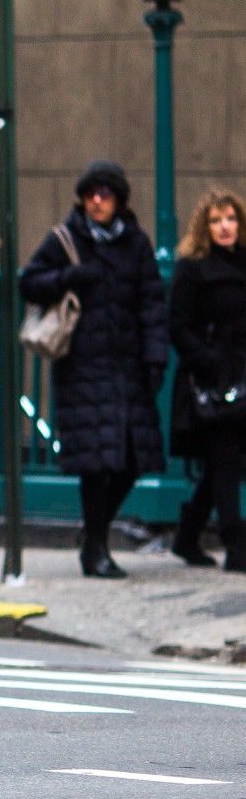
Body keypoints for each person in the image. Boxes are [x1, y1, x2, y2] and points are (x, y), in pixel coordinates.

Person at [18, 160, 168, 579]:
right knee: (96, 464)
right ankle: (96, 550)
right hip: (83, 368)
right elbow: (28, 282)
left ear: (119, 199)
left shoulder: (135, 243)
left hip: (129, 368)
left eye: (105, 194)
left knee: (135, 460)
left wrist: (156, 356)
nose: (97, 202)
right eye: (90, 194)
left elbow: (152, 304)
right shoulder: (65, 238)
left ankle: (94, 531)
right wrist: (69, 276)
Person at [167, 187, 246, 574]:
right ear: (205, 227)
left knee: (224, 464)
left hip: (242, 371)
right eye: (216, 221)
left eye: (230, 218)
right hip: (212, 378)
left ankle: (187, 534)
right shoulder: (192, 268)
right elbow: (177, 327)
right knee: (226, 457)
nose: (225, 227)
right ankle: (236, 545)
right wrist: (209, 360)